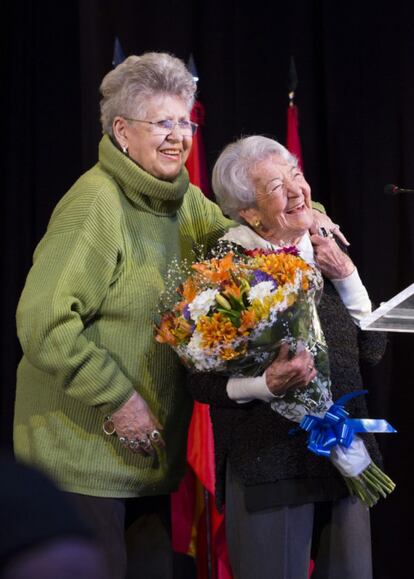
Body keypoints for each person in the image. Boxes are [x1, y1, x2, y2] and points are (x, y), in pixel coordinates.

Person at [13, 52, 233, 579]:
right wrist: (119, 398)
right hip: (80, 463)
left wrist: (298, 208)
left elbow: (238, 238)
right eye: (163, 123)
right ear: (122, 131)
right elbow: (44, 322)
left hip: (143, 463)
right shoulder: (96, 204)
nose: (179, 136)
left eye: (186, 121)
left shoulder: (183, 200)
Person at [186, 135, 386, 579]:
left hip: (346, 451)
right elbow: (198, 380)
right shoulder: (226, 265)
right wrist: (265, 385)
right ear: (250, 212)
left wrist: (348, 277)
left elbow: (372, 349)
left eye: (295, 174)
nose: (297, 191)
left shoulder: (323, 243)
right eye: (276, 186)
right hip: (268, 461)